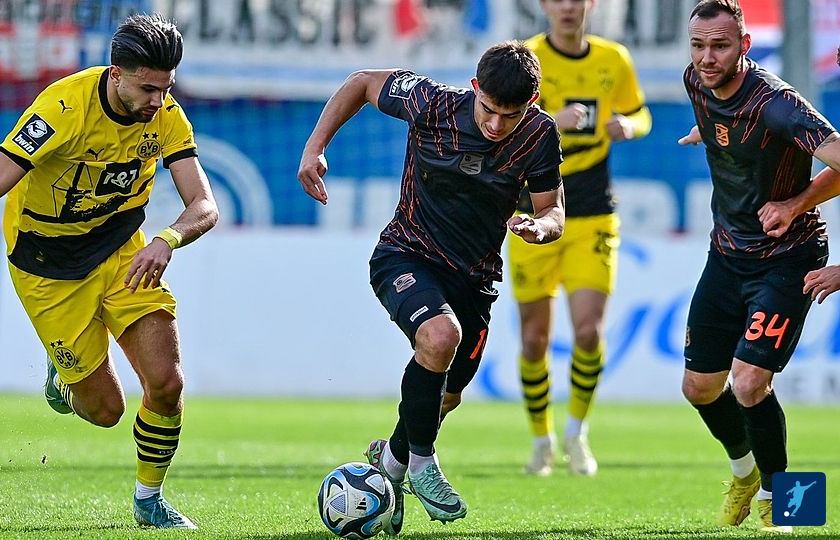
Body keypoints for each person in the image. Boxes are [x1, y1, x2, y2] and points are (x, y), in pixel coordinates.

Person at [0, 14, 218, 529]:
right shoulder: (62, 109)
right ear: (116, 73)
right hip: (48, 268)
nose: (158, 100)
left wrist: (167, 239)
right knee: (106, 412)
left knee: (167, 383)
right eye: (148, 88)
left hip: (121, 254)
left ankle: (149, 500)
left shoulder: (166, 117)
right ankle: (62, 374)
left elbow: (204, 204)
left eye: (166, 88)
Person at [298, 41, 565, 533]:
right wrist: (315, 149)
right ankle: (423, 462)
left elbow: (553, 210)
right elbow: (361, 82)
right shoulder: (432, 102)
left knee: (445, 397)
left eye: (510, 116)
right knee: (441, 336)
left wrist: (539, 227)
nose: (496, 125)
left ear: (531, 104)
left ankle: (391, 464)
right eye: (489, 109)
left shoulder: (540, 133)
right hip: (406, 255)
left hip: (475, 281)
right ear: (475, 87)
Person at [678, 0, 840, 533]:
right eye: (698, 45)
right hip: (727, 255)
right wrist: (711, 132)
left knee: (749, 383)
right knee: (699, 388)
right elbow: (729, 126)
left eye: (720, 46)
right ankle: (745, 473)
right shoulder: (696, 81)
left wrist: (796, 203)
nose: (707, 57)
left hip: (787, 258)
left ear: (745, 46)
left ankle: (788, 504)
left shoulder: (778, 105)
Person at [508, 0, 651, 477]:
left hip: (592, 213)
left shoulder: (614, 59)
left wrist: (630, 125)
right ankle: (540, 440)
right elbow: (501, 126)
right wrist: (552, 119)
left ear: (591, 4)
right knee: (534, 339)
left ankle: (576, 432)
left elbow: (641, 113)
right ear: (545, 5)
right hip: (533, 214)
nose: (568, 6)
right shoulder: (526, 57)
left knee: (589, 332)